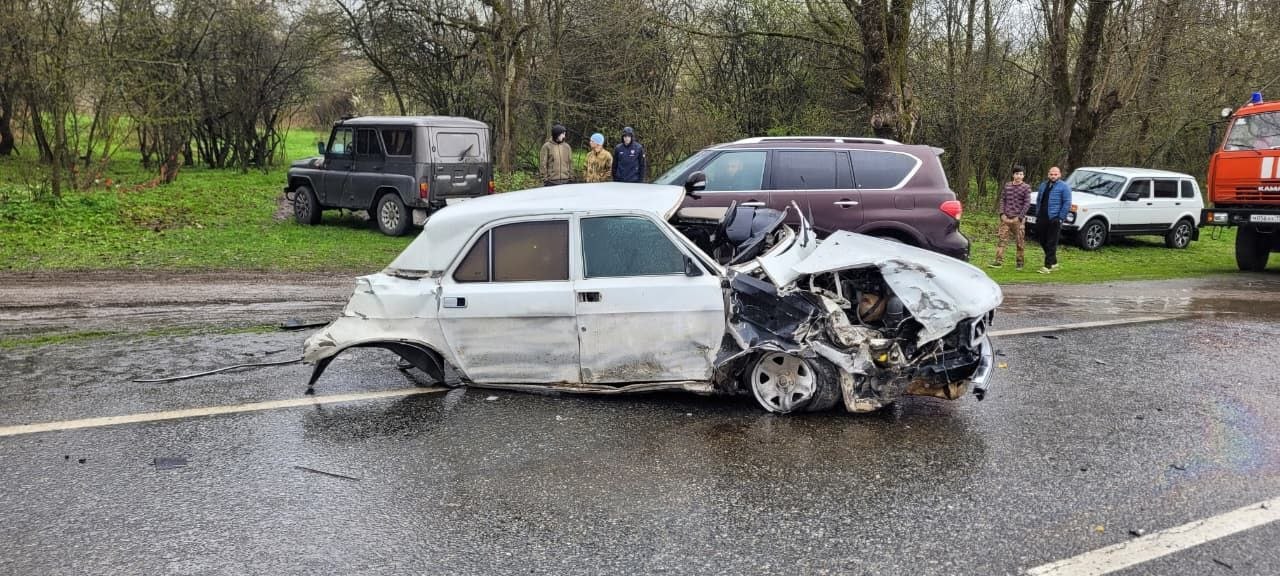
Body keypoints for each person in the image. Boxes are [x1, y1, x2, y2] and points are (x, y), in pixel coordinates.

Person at [990, 165, 1032, 270]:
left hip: (1018, 220)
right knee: (1001, 240)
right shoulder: (1007, 186)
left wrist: (1020, 217)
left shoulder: (1026, 187)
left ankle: (1020, 263)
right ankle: (998, 261)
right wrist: (1002, 214)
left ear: (1023, 176)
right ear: (1013, 175)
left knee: (1020, 242)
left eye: (1021, 174)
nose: (1019, 176)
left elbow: (1027, 204)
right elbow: (1002, 200)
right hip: (1006, 218)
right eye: (1017, 174)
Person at [1034, 166, 1072, 274]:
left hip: (1054, 218)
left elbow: (1067, 203)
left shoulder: (1064, 187)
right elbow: (1038, 200)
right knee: (1042, 240)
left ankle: (1047, 266)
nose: (1053, 176)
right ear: (1048, 174)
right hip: (1042, 217)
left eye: (1055, 174)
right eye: (1051, 174)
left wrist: (1060, 218)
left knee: (1051, 242)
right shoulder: (1043, 185)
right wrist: (1038, 213)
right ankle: (1054, 262)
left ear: (1059, 175)